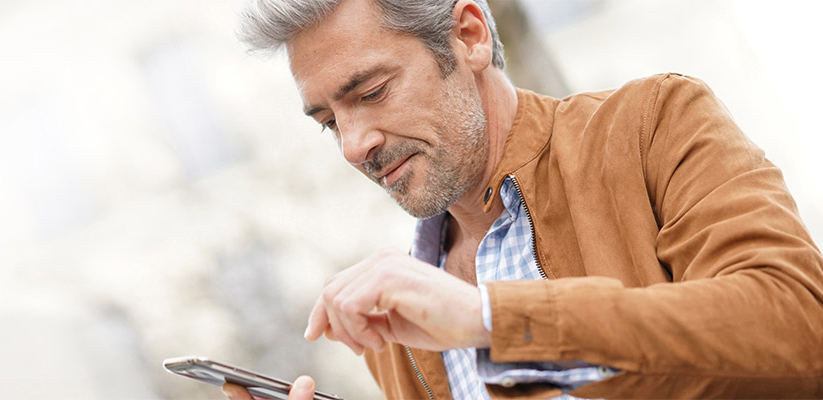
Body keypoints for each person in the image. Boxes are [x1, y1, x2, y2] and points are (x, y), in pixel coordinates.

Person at [223, 0, 823, 399]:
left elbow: (799, 327)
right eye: (328, 121)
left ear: (470, 36)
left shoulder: (652, 124)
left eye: (373, 92)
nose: (355, 146)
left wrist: (490, 321)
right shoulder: (395, 329)